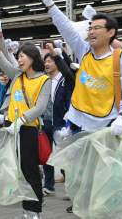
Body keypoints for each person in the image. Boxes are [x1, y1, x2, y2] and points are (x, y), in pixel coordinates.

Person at [40, 0, 122, 213]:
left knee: (108, 178)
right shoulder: (85, 52)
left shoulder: (121, 58)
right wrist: (51, 7)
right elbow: (68, 30)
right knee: (82, 178)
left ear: (111, 33)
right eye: (90, 28)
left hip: (108, 128)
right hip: (80, 127)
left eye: (96, 28)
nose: (90, 32)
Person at [0, 27, 51, 219]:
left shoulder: (43, 80)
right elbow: (2, 60)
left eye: (23, 56)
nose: (20, 60)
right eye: (19, 56)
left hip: (27, 130)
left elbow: (40, 107)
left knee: (31, 172)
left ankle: (35, 210)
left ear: (34, 58)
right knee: (19, 171)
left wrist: (21, 120)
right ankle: (25, 210)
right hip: (11, 129)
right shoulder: (17, 76)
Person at [42, 49, 72, 197]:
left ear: (57, 63)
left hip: (59, 123)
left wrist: (68, 123)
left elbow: (69, 102)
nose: (46, 64)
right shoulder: (43, 80)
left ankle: (70, 187)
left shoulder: (64, 80)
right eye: (45, 62)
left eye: (49, 61)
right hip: (44, 122)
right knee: (46, 155)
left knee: (65, 155)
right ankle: (49, 186)